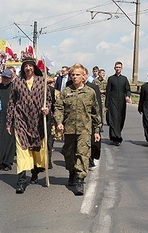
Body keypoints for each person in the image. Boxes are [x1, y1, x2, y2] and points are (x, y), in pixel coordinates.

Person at [54, 63, 101, 196]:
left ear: (83, 76)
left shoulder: (90, 92)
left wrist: (97, 131)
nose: (75, 77)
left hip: (84, 130)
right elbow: (59, 108)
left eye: (77, 75)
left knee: (83, 154)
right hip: (69, 129)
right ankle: (72, 172)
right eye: (73, 75)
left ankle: (80, 180)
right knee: (68, 154)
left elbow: (95, 113)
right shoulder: (66, 92)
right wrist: (59, 122)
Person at [6, 58, 51, 194]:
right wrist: (9, 122)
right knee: (22, 150)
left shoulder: (42, 82)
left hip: (37, 122)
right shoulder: (17, 83)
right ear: (23, 68)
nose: (28, 68)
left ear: (34, 68)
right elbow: (11, 103)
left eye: (31, 66)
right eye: (26, 66)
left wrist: (46, 108)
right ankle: (21, 181)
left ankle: (35, 173)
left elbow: (48, 100)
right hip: (21, 121)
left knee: (36, 149)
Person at [105, 61, 131, 146]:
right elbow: (108, 92)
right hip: (112, 102)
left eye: (119, 67)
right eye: (116, 67)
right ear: (114, 68)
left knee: (120, 119)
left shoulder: (124, 79)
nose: (118, 69)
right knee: (114, 119)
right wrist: (106, 104)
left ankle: (116, 134)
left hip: (122, 103)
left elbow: (128, 89)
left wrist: (127, 96)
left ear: (122, 68)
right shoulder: (111, 79)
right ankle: (116, 137)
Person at [0, 69, 15, 171]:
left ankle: (7, 162)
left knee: (9, 140)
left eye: (7, 78)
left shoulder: (14, 88)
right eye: (4, 77)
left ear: (11, 78)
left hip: (11, 117)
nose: (5, 80)